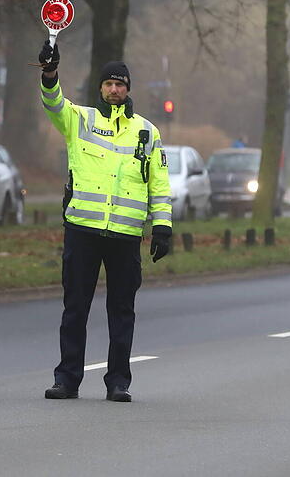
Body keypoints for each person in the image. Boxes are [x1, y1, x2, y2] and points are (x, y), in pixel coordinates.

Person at [37, 40, 172, 403]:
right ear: (100, 88)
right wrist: (50, 72)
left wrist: (162, 227)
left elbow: (159, 184)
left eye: (120, 84)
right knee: (75, 308)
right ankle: (67, 380)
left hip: (125, 234)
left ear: (128, 89)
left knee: (122, 311)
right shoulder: (80, 120)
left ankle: (118, 382)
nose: (114, 90)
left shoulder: (147, 132)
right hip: (83, 230)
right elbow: (53, 103)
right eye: (109, 84)